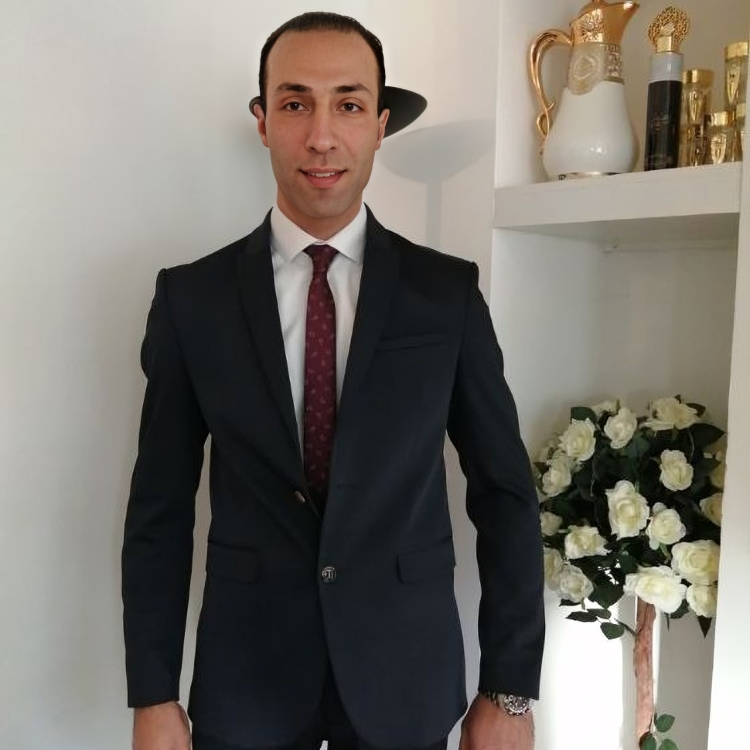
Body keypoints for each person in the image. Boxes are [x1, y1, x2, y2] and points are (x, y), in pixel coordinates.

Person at [121, 11, 544, 750]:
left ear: (379, 125)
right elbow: (159, 505)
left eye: (348, 104)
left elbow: (504, 492)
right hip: (246, 678)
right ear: (263, 121)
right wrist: (152, 696)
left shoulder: (444, 295)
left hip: (404, 676)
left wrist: (509, 690)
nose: (321, 136)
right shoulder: (193, 300)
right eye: (295, 104)